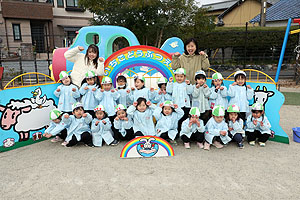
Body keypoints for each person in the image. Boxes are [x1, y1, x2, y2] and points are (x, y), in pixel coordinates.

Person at [166, 68, 193, 132]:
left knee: (185, 119)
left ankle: (184, 131)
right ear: (175, 76)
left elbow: (190, 92)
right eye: (177, 76)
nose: (179, 78)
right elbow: (169, 91)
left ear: (184, 77)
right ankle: (177, 132)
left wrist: (189, 85)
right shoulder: (173, 84)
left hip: (185, 105)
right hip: (176, 105)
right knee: (177, 119)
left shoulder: (186, 84)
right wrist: (169, 83)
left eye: (181, 76)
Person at [96, 76, 120, 144]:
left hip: (112, 112)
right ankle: (106, 139)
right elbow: (98, 98)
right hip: (104, 113)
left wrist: (114, 92)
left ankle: (116, 138)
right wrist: (100, 92)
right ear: (102, 85)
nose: (106, 87)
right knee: (105, 126)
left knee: (114, 126)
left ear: (111, 85)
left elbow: (117, 97)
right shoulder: (100, 91)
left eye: (108, 85)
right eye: (105, 85)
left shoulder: (113, 91)